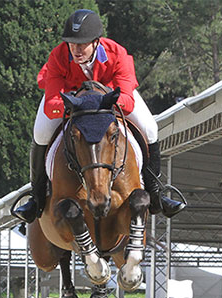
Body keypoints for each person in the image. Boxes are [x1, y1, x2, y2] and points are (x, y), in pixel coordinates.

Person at [12, 9, 185, 223]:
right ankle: (36, 197)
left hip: (110, 97)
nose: (75, 49)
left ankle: (157, 193)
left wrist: (99, 102)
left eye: (82, 44)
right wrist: (81, 105)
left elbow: (127, 100)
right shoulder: (58, 56)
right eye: (71, 43)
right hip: (71, 99)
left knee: (150, 128)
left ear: (96, 42)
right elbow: (51, 105)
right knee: (41, 132)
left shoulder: (117, 54)